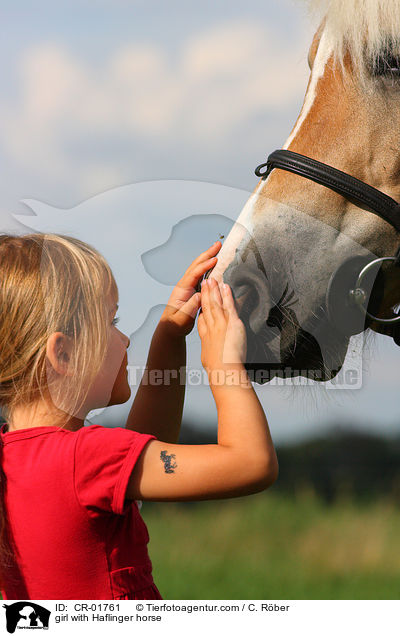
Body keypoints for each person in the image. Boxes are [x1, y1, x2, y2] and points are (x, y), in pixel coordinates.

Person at [0, 232, 278, 600]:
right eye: (112, 322)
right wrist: (224, 365)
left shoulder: (18, 461)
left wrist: (170, 333)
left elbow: (143, 447)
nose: (125, 340)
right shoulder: (85, 459)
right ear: (63, 354)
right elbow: (250, 462)